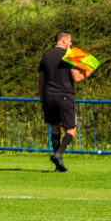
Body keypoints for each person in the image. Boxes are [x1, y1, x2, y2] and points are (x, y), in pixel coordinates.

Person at [39, 30, 88, 172]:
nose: (71, 44)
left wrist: (42, 99)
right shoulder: (69, 55)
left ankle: (57, 165)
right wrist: (88, 72)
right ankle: (58, 154)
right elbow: (77, 78)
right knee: (71, 129)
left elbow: (41, 80)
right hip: (64, 95)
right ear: (64, 41)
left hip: (48, 95)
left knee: (54, 128)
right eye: (70, 41)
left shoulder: (46, 56)